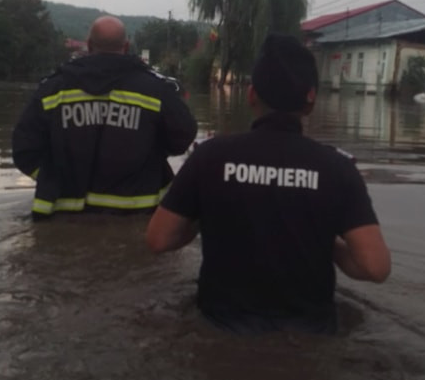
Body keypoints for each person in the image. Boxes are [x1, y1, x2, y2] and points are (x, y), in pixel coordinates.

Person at [146, 33, 390, 334]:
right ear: (311, 97)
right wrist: (327, 242)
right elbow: (374, 267)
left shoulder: (209, 157)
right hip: (311, 336)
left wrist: (205, 217)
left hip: (220, 329)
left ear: (251, 95)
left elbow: (158, 240)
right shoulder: (338, 168)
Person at [12, 16, 197, 218]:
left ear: (89, 45)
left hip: (63, 214)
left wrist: (51, 178)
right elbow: (183, 136)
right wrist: (150, 152)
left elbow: (23, 149)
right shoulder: (156, 89)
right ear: (126, 46)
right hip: (136, 213)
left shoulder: (53, 88)